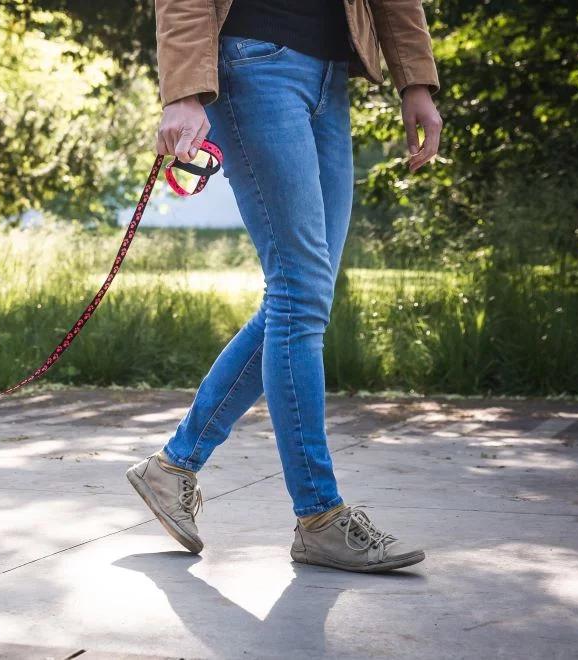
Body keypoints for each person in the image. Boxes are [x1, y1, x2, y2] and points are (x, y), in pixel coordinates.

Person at [126, 0, 441, 572]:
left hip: (330, 72)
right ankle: (319, 514)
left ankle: (172, 468)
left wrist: (415, 79)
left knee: (303, 295)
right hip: (253, 60)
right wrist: (182, 90)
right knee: (299, 291)